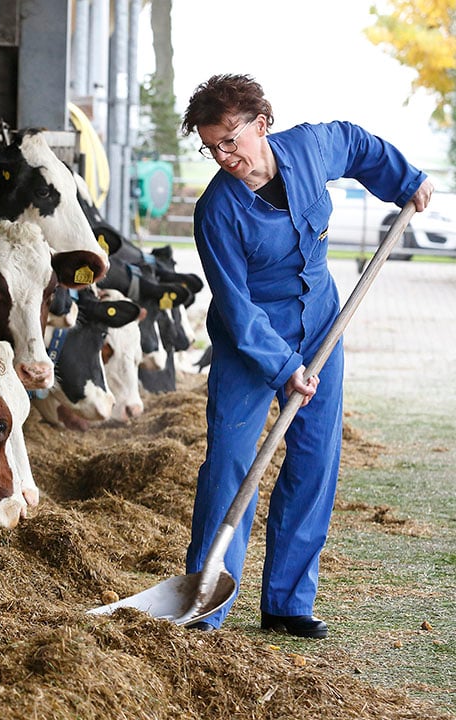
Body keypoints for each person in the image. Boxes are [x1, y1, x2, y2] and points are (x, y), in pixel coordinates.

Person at [180, 74, 433, 637]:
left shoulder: (309, 148)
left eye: (229, 140)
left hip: (321, 326)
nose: (223, 157)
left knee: (315, 461)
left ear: (260, 125)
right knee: (229, 467)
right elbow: (237, 307)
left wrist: (406, 181)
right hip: (252, 347)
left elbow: (357, 142)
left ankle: (288, 603)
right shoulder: (216, 211)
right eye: (210, 147)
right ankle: (206, 608)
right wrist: (284, 367)